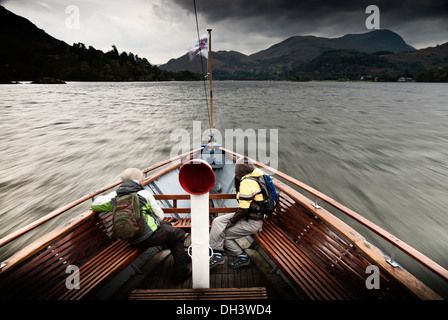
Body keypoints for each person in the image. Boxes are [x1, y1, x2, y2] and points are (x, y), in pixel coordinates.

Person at [91, 167, 191, 284]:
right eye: (142, 178)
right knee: (178, 234)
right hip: (146, 236)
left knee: (168, 226)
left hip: (130, 237)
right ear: (138, 180)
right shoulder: (143, 194)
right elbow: (160, 216)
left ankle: (182, 257)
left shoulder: (115, 196)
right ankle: (180, 273)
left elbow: (95, 205)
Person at [209, 156, 264, 269]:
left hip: (253, 222)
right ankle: (216, 252)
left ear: (240, 170)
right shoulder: (255, 176)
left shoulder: (247, 183)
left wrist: (231, 222)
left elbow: (243, 209)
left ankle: (241, 256)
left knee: (221, 234)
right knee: (218, 221)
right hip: (248, 216)